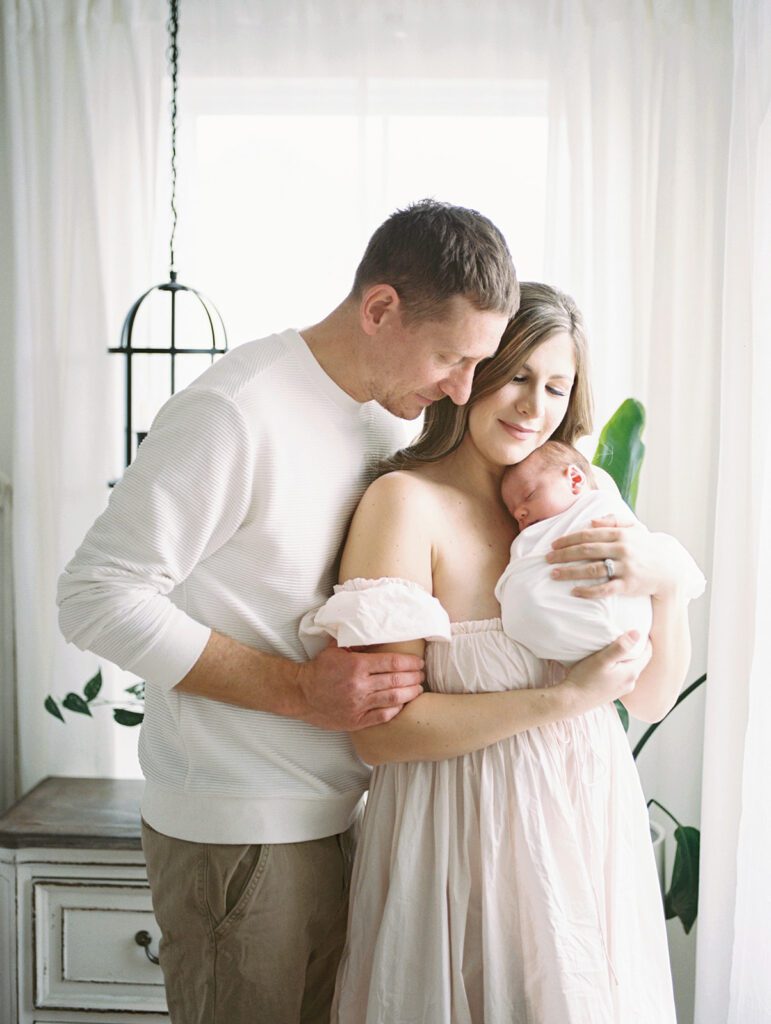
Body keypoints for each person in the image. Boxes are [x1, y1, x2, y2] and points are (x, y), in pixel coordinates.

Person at [56, 199, 520, 1024]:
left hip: (347, 821)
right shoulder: (235, 410)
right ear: (380, 309)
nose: (460, 387)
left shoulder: (385, 415)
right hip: (240, 831)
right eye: (451, 356)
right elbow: (96, 596)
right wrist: (300, 692)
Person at [301, 282, 701, 1023]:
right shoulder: (405, 505)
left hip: (585, 827)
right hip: (460, 836)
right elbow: (380, 733)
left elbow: (645, 697)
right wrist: (563, 698)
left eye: (556, 386)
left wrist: (667, 585)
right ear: (472, 368)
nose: (532, 407)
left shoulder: (582, 496)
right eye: (516, 375)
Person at [495, 440, 702, 666]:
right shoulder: (537, 533)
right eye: (515, 514)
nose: (521, 513)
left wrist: (669, 579)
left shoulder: (600, 506)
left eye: (529, 495)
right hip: (549, 630)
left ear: (575, 480)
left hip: (618, 624)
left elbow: (647, 550)